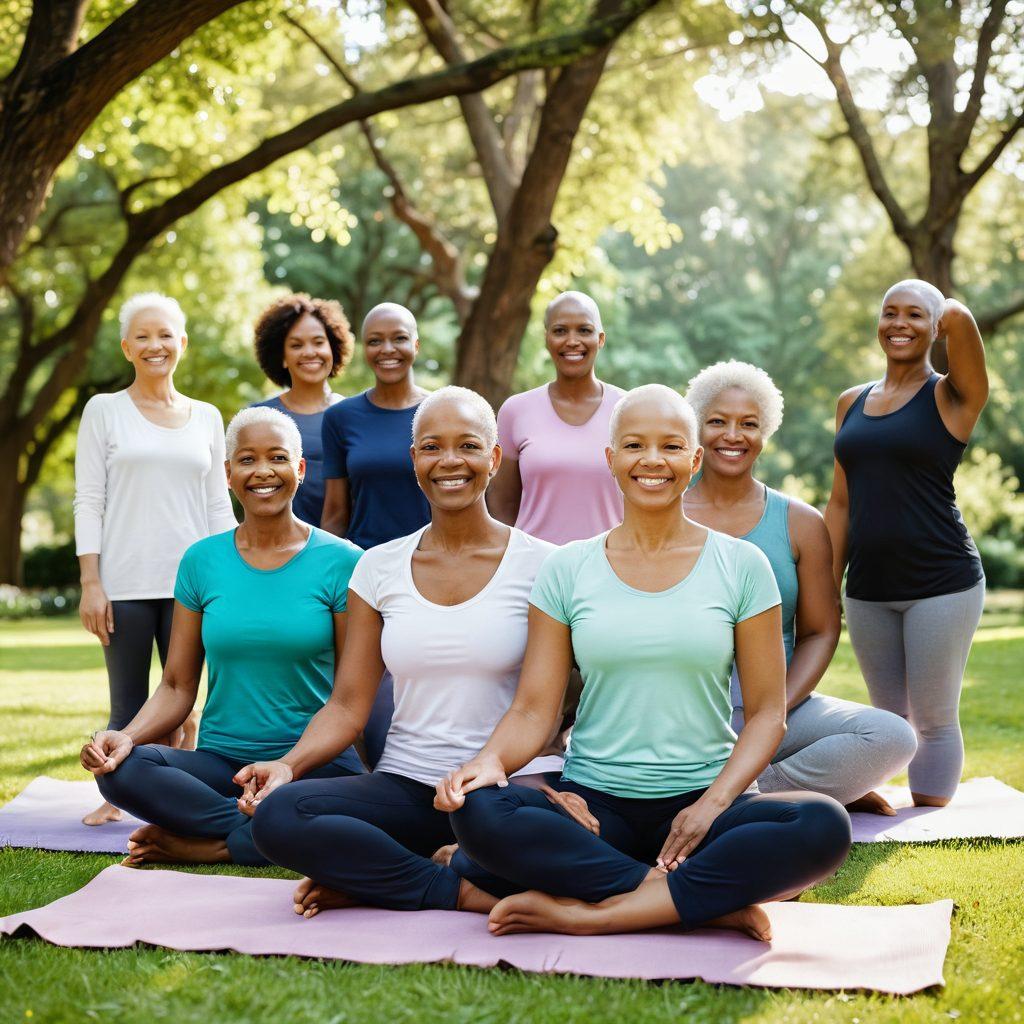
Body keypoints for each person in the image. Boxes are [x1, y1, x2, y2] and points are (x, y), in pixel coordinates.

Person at [437, 385, 852, 941]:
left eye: (672, 447)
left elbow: (765, 715)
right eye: (634, 445)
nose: (653, 461)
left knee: (823, 824)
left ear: (694, 459)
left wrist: (712, 805)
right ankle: (696, 901)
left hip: (703, 801)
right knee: (478, 811)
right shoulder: (567, 569)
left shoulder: (742, 565)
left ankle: (601, 910)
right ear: (611, 460)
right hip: (596, 808)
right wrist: (490, 762)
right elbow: (535, 709)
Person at [245, 387, 555, 916]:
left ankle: (382, 876)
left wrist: (487, 770)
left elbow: (538, 707)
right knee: (278, 816)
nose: (450, 461)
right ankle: (453, 885)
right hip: (408, 786)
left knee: (562, 838)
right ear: (414, 460)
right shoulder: (378, 567)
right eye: (432, 446)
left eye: (469, 446)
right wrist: (287, 766)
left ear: (495, 458)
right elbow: (347, 705)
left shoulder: (547, 565)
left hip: (502, 789)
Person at [78, 407, 364, 865]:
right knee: (121, 772)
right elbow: (176, 686)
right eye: (247, 460)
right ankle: (260, 834)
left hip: (311, 765)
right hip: (222, 765)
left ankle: (214, 844)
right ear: (228, 474)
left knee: (324, 805)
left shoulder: (344, 561)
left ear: (300, 468)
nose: (263, 471)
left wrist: (291, 767)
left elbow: (351, 699)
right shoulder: (201, 561)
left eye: (277, 458)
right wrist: (126, 736)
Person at [684, 361, 917, 814]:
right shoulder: (666, 511)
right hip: (687, 705)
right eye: (717, 421)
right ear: (696, 427)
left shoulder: (801, 522)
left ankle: (742, 795)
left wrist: (772, 710)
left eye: (748, 424)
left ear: (765, 432)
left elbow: (821, 630)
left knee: (891, 736)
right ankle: (807, 790)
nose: (733, 435)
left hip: (780, 703)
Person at [74, 292, 237, 826]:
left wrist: (238, 576)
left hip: (195, 583)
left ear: (181, 343)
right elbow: (88, 500)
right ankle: (117, 792)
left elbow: (218, 503)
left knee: (185, 702)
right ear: (126, 348)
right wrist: (90, 581)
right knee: (129, 705)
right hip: (123, 581)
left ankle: (177, 789)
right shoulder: (104, 411)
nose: (154, 344)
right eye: (142, 336)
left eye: (164, 334)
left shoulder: (207, 417)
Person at [825, 281, 988, 808]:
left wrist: (946, 310)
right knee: (887, 720)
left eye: (915, 315)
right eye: (889, 313)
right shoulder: (850, 401)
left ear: (935, 327)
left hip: (942, 582)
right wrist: (826, 584)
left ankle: (930, 822)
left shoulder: (951, 396)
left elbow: (961, 323)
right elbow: (841, 504)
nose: (899, 323)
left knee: (935, 717)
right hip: (869, 586)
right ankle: (892, 803)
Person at [320, 302, 431, 766]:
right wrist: (324, 584)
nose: (388, 349)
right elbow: (334, 512)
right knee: (369, 707)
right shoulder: (342, 419)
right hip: (367, 576)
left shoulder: (439, 410)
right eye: (375, 341)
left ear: (416, 344)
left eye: (399, 338)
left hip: (431, 572)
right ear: (363, 349)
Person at [489, 291, 625, 545]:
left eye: (584, 330)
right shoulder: (515, 411)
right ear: (546, 338)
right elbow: (502, 506)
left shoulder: (628, 410)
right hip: (533, 571)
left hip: (610, 568)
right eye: (560, 331)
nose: (572, 341)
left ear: (601, 338)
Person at [251, 293, 355, 526]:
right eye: (296, 345)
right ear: (283, 357)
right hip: (277, 548)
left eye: (318, 342)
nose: (310, 352)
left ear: (333, 348)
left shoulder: (354, 415)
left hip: (350, 550)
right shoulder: (261, 418)